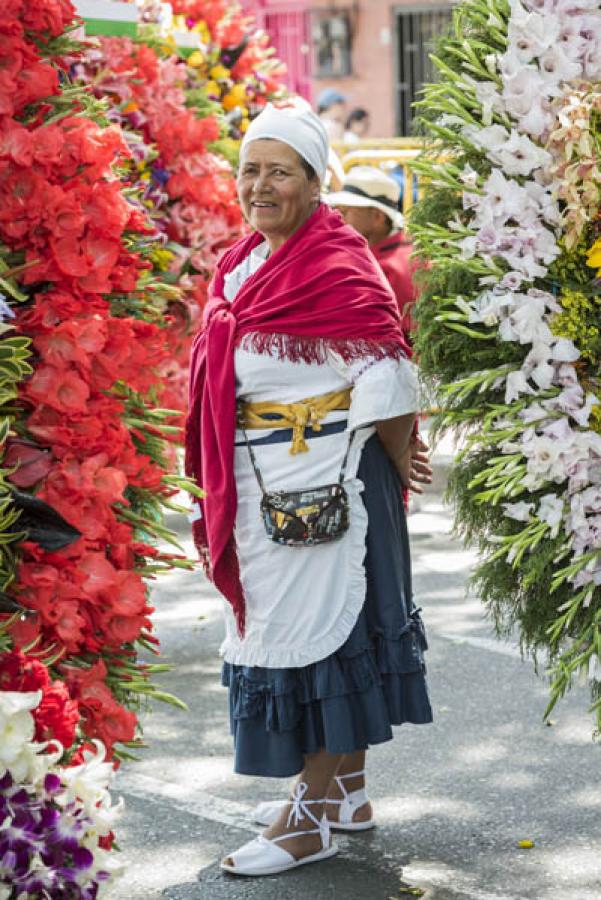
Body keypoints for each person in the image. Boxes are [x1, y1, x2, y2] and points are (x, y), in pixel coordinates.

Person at [186, 100, 433, 878]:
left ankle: (309, 819)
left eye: (278, 172)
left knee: (332, 635)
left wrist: (395, 461)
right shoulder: (240, 262)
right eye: (248, 170)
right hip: (265, 482)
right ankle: (347, 792)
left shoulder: (336, 260)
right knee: (304, 631)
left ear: (315, 180)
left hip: (330, 487)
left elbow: (388, 379)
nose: (259, 186)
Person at [327, 166, 419, 342]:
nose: (338, 218)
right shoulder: (396, 250)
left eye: (345, 212)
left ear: (378, 217)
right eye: (337, 210)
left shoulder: (392, 267)